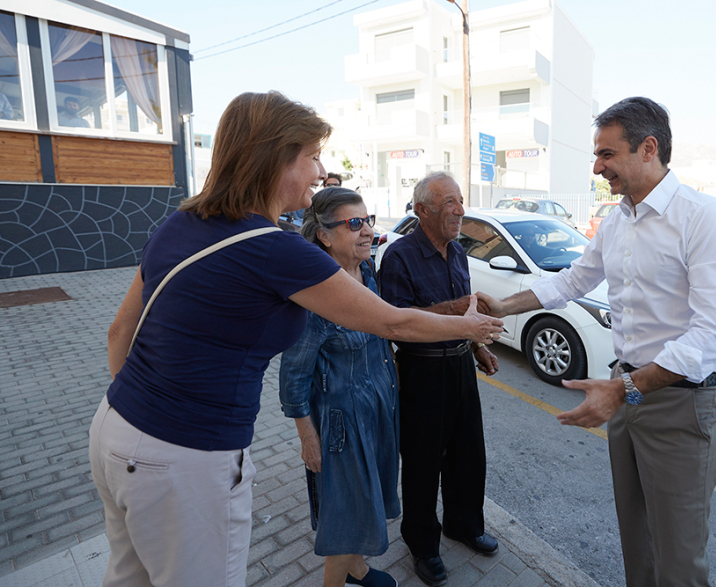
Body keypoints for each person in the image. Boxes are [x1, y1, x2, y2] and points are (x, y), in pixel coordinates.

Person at [88, 91, 503, 587]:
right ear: (274, 158)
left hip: (114, 428)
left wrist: (141, 414)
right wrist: (472, 326)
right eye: (311, 156)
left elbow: (120, 332)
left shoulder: (179, 222)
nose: (319, 169)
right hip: (186, 457)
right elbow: (393, 323)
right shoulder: (276, 249)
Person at [476, 97, 716, 587]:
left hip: (682, 404)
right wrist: (502, 308)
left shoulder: (706, 220)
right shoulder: (619, 219)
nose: (598, 167)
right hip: (628, 390)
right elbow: (571, 281)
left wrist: (623, 390)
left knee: (680, 557)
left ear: (649, 148)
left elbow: (712, 336)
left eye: (607, 154)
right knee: (637, 538)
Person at [379, 171, 501, 587]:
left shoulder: (459, 253)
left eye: (460, 200)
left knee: (469, 452)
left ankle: (463, 525)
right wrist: (458, 314)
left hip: (460, 365)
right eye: (449, 202)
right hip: (422, 371)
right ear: (422, 210)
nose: (459, 210)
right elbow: (395, 323)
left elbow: (464, 318)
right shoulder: (398, 257)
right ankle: (423, 545)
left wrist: (478, 346)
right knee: (422, 462)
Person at [279, 187, 399, 587]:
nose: (367, 231)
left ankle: (358, 569)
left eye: (368, 220)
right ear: (324, 235)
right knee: (347, 511)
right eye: (354, 223)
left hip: (376, 403)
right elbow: (293, 375)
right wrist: (307, 436)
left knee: (368, 498)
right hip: (341, 420)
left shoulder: (365, 271)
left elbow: (381, 333)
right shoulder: (315, 294)